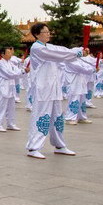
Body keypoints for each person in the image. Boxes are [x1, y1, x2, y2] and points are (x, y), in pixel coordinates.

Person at [25, 23, 79, 159]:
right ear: (37, 34)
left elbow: (60, 50)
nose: (48, 34)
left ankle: (59, 145)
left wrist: (76, 50)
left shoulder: (49, 46)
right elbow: (56, 54)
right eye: (45, 32)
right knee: (41, 116)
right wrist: (76, 52)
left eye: (49, 32)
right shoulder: (37, 48)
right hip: (43, 88)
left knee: (57, 118)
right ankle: (33, 147)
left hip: (54, 88)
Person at [0, 47, 26, 132]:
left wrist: (24, 71)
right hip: (3, 86)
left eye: (10, 52)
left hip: (11, 86)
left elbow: (17, 71)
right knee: (2, 106)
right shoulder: (0, 63)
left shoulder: (10, 63)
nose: (10, 54)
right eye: (8, 52)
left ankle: (10, 124)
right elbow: (9, 74)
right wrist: (22, 72)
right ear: (2, 54)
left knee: (11, 106)